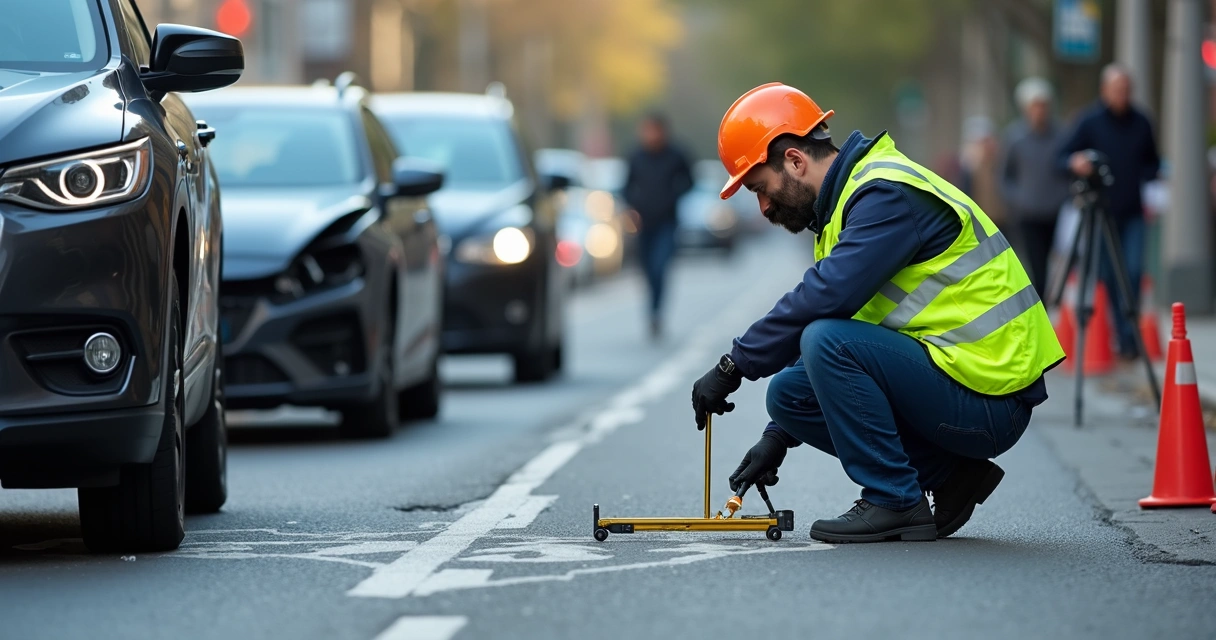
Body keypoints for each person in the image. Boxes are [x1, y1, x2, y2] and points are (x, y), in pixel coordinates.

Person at [689, 83, 1064, 543]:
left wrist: (734, 365)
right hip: (958, 379)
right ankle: (950, 478)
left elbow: (824, 303)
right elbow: (852, 328)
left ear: (794, 161)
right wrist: (776, 437)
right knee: (788, 394)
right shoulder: (848, 208)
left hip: (991, 395)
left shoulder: (884, 195)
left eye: (760, 188)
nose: (763, 206)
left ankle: (894, 499)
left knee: (824, 339)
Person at [1058, 64, 1161, 360]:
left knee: (1132, 271)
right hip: (1100, 214)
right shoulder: (1089, 122)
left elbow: (1152, 162)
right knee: (1106, 274)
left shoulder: (1141, 122)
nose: (1122, 95)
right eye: (1116, 89)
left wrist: (1151, 178)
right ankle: (1113, 333)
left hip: (1133, 212)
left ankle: (1129, 338)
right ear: (1105, 91)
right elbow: (1061, 158)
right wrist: (1075, 163)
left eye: (1126, 90)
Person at [622, 112, 694, 338]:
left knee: (660, 266)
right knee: (647, 271)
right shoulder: (635, 156)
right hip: (643, 224)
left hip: (667, 222)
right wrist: (633, 206)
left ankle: (656, 313)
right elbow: (625, 187)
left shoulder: (676, 155)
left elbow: (690, 180)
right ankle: (652, 310)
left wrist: (673, 197)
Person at [1001, 77, 1072, 298]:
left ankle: (1050, 299)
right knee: (1035, 264)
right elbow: (1004, 176)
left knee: (1056, 263)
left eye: (1043, 106)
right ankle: (1039, 302)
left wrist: (1065, 196)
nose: (1039, 111)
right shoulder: (1015, 138)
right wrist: (1017, 198)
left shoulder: (1061, 136)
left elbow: (1067, 169)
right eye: (1035, 106)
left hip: (1056, 212)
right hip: (1028, 214)